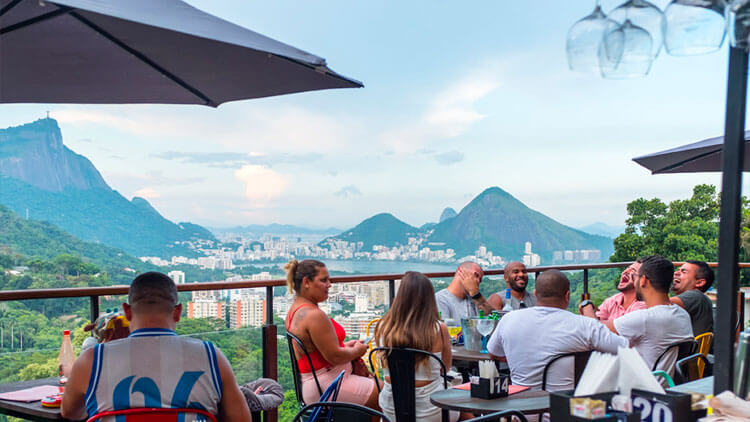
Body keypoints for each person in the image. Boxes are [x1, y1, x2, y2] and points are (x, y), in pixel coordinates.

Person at [61, 272, 251, 422]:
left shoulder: (91, 359)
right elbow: (241, 419)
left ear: (127, 312)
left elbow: (70, 412)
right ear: (178, 312)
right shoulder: (212, 356)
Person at [487, 270, 627, 392]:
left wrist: (523, 356)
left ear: (535, 294)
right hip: (564, 407)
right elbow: (626, 350)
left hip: (519, 407)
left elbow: (493, 353)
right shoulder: (585, 325)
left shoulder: (509, 319)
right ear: (567, 296)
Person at [284, 259, 379, 410]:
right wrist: (357, 351)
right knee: (391, 395)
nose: (329, 284)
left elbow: (320, 351)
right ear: (306, 282)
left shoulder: (295, 310)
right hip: (329, 386)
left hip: (320, 384)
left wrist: (345, 346)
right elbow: (334, 357)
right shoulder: (314, 315)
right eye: (323, 280)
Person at [374, 272, 466, 422]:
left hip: (391, 410)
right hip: (433, 410)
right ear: (429, 299)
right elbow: (445, 367)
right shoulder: (438, 328)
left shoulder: (383, 327)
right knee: (461, 401)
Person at [585, 255, 693, 374]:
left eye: (634, 276)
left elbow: (594, 329)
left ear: (643, 280)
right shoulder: (682, 314)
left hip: (641, 383)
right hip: (667, 382)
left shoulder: (645, 318)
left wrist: (587, 306)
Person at [579, 261, 646, 321]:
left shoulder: (642, 306)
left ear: (643, 280)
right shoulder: (613, 301)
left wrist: (587, 307)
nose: (625, 272)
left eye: (633, 271)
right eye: (627, 268)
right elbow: (596, 323)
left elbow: (595, 327)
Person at [670, 260, 714, 336]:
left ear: (699, 282)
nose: (676, 273)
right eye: (678, 270)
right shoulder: (700, 298)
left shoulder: (695, 296)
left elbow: (659, 305)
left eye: (684, 272)